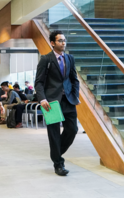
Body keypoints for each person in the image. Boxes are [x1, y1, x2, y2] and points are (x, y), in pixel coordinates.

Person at [35, 30, 80, 176]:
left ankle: (55, 154)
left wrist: (75, 94)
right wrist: (42, 99)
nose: (63, 43)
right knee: (53, 133)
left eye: (64, 40)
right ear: (53, 43)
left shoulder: (70, 58)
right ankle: (58, 164)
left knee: (72, 130)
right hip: (51, 103)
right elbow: (39, 82)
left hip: (68, 100)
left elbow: (74, 79)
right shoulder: (45, 59)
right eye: (60, 40)